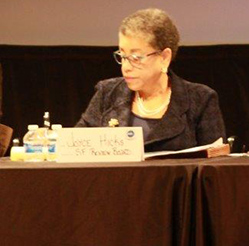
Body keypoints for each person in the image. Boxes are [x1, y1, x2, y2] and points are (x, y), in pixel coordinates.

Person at [76, 8, 226, 152]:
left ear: (164, 57)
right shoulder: (107, 93)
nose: (126, 67)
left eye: (136, 57)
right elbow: (77, 148)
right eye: (122, 56)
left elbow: (215, 166)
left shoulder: (200, 100)